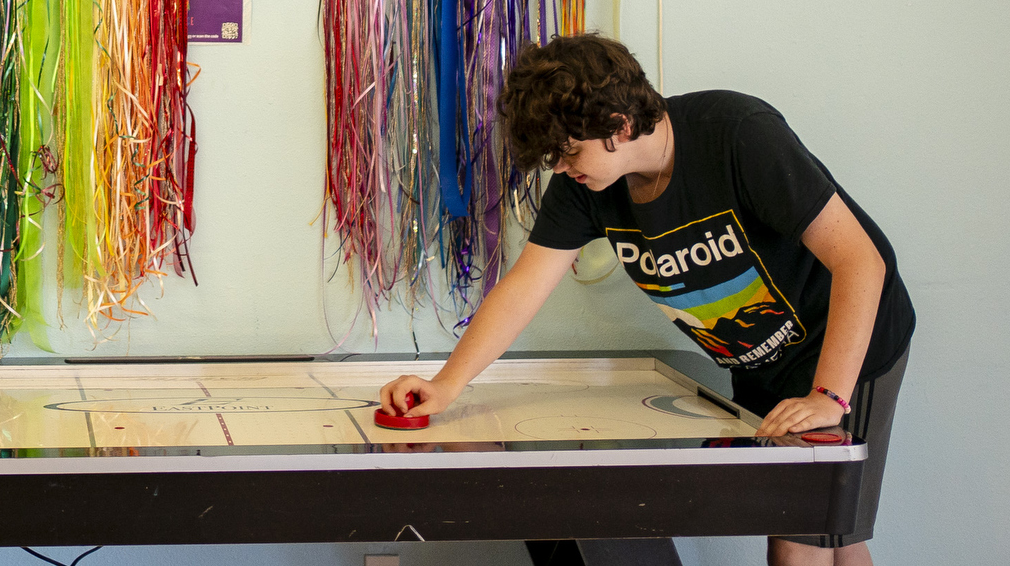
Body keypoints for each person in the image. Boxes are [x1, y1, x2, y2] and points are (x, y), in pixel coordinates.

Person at [376, 34, 914, 566]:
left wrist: (829, 395)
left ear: (620, 125)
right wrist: (446, 385)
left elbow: (861, 262)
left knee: (799, 528)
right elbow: (523, 288)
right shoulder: (587, 186)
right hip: (759, 361)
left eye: (568, 152)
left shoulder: (739, 136)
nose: (560, 168)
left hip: (847, 343)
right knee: (831, 530)